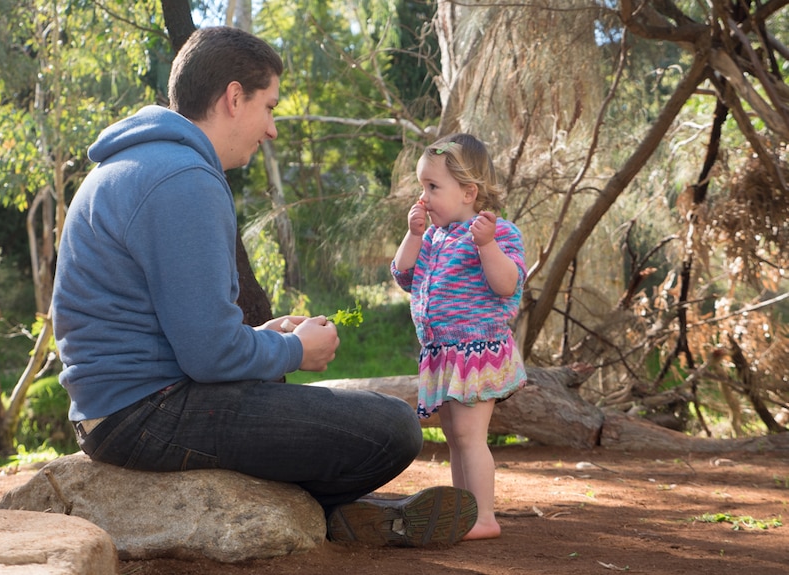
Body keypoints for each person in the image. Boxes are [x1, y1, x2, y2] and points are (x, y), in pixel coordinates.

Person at [51, 26, 477, 547]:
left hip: (118, 407)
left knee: (304, 396)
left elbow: (183, 329)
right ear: (234, 98)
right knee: (393, 427)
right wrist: (295, 350)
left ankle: (337, 517)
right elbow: (209, 355)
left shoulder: (140, 165)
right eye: (269, 107)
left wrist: (267, 337)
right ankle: (322, 514)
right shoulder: (184, 179)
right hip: (145, 414)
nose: (272, 128)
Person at [391, 133, 528, 540]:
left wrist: (485, 245)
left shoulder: (498, 233)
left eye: (433, 187)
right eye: (422, 187)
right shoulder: (434, 237)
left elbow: (508, 284)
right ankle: (462, 509)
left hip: (476, 351)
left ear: (469, 192)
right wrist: (413, 236)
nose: (424, 197)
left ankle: (484, 517)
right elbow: (403, 275)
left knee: (470, 436)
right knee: (454, 436)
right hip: (443, 352)